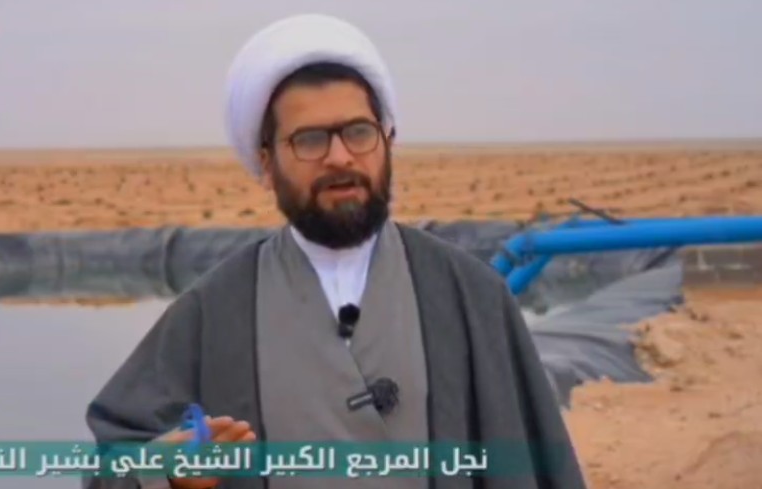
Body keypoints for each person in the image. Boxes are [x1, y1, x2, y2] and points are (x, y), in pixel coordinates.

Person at [83, 13, 587, 489]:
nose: (340, 156)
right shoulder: (214, 311)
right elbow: (114, 465)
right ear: (266, 163)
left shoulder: (470, 295)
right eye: (310, 140)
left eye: (358, 132)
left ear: (388, 140)